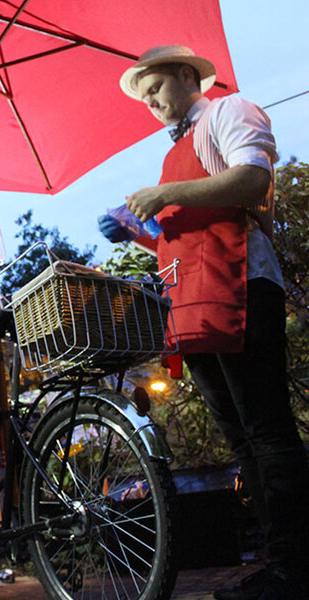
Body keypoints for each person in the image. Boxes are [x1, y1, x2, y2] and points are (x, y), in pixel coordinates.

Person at [98, 45, 309, 600]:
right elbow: (189, 241)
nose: (152, 104)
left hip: (243, 286)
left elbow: (251, 182)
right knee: (241, 440)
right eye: (144, 100)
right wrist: (143, 235)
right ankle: (277, 563)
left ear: (187, 75)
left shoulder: (229, 111)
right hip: (193, 299)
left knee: (266, 429)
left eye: (157, 90)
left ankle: (298, 568)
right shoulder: (175, 150)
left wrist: (165, 194)